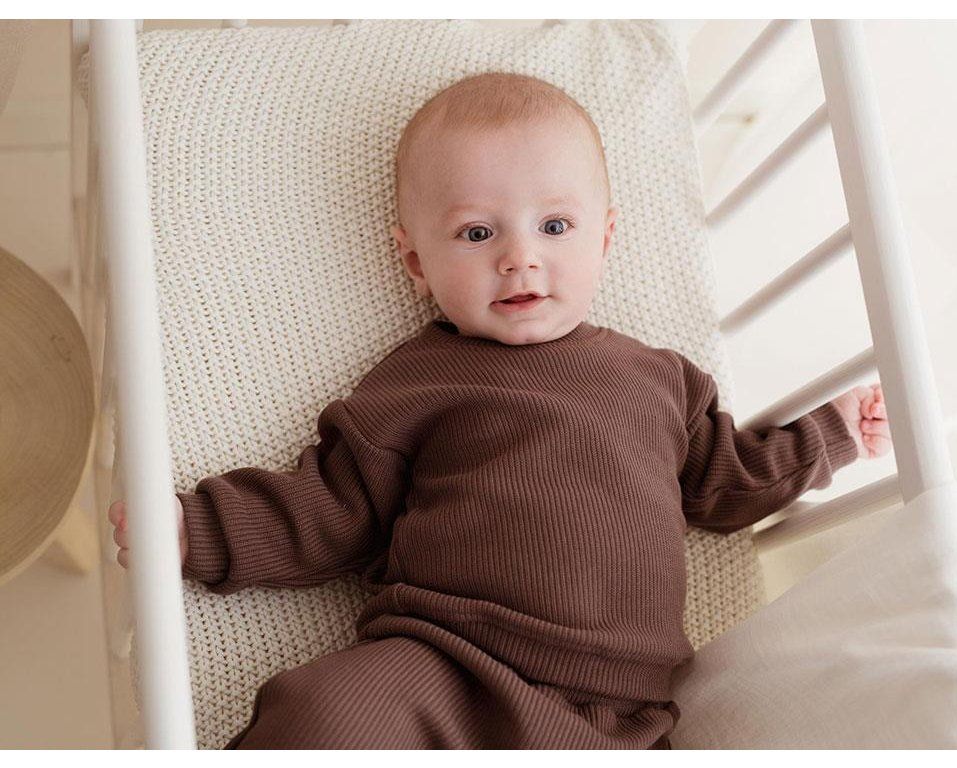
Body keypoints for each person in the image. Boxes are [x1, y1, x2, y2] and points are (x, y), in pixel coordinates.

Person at [107, 72, 891, 749]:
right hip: (442, 664)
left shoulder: (659, 379)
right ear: (416, 261)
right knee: (323, 711)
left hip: (613, 709)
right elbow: (331, 507)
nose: (520, 257)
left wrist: (832, 434)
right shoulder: (415, 381)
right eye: (477, 233)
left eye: (555, 226)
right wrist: (196, 529)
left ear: (605, 238)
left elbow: (728, 484)